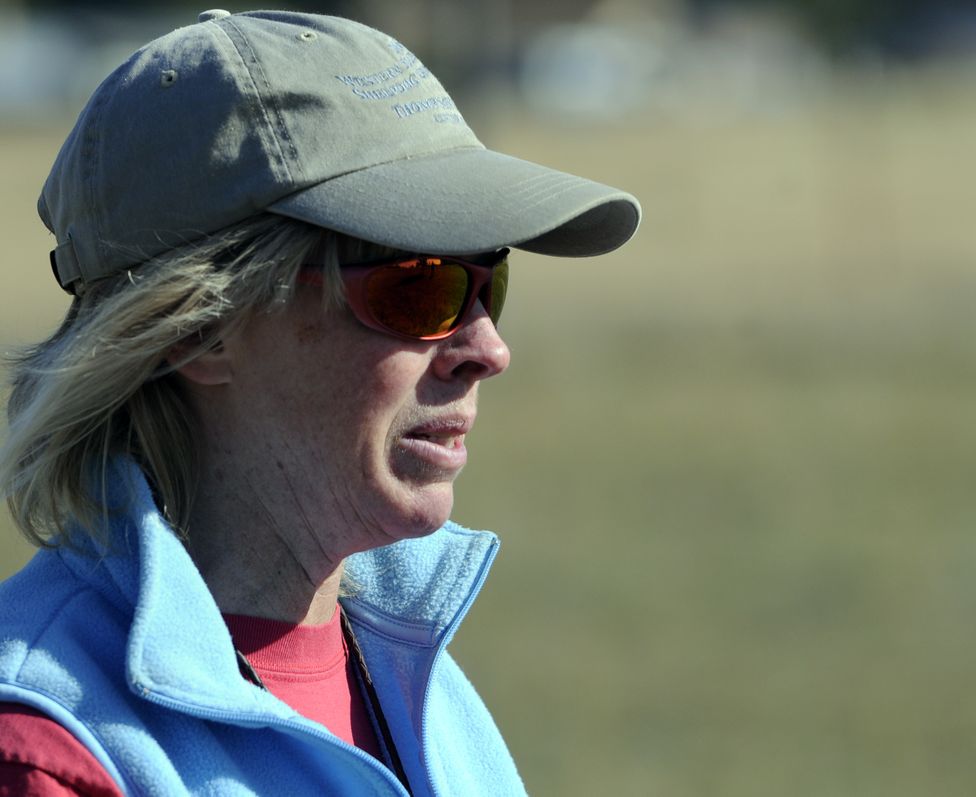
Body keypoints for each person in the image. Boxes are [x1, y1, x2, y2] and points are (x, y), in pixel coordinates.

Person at [0, 9, 640, 796]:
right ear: (202, 330)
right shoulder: (48, 750)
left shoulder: (417, 681)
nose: (487, 351)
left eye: (489, 283)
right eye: (419, 287)